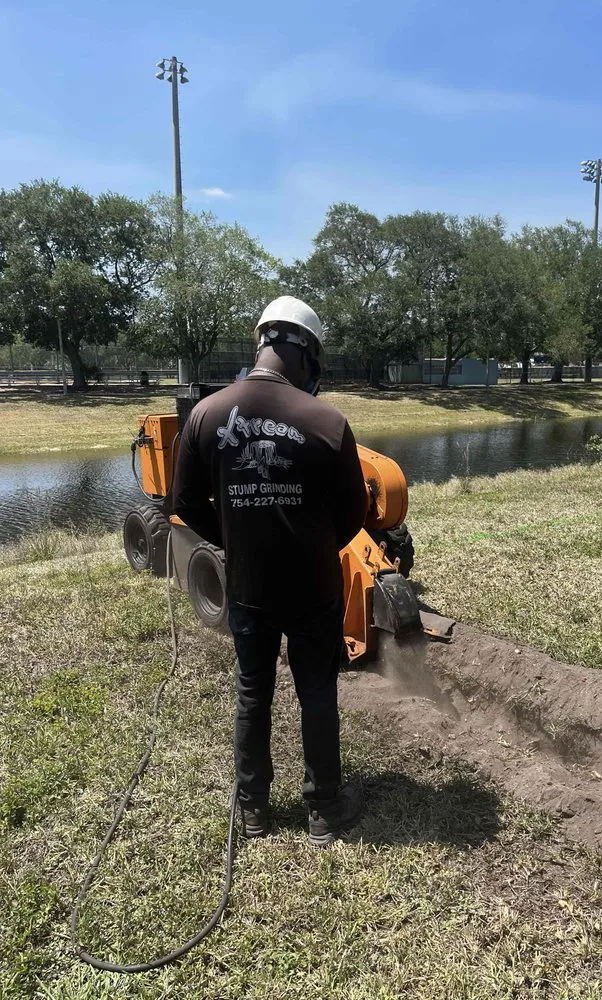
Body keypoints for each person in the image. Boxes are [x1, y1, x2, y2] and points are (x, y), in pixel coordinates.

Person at [171, 296, 368, 846]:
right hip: (314, 588)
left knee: (253, 692)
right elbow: (355, 513)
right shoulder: (328, 423)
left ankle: (253, 810)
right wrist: (310, 544)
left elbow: (183, 501)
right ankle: (325, 810)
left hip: (249, 587)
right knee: (316, 691)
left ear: (261, 343)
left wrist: (235, 538)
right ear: (304, 353)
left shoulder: (207, 415)